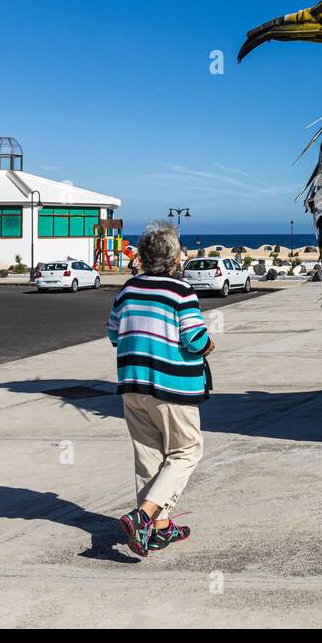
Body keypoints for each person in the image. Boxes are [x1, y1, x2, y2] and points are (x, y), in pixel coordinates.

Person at [108, 222, 214, 557]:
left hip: (132, 383)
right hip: (169, 386)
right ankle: (142, 517)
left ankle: (161, 529)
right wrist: (209, 345)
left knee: (149, 457)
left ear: (142, 256)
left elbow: (114, 334)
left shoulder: (127, 290)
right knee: (186, 451)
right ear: (174, 258)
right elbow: (194, 339)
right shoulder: (180, 291)